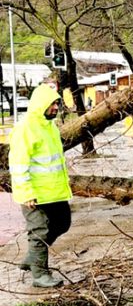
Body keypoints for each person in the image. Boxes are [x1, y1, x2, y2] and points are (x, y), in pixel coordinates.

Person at [8, 83, 73, 288]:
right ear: (40, 104)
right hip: (34, 195)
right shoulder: (25, 129)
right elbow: (19, 165)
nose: (56, 107)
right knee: (39, 232)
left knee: (63, 223)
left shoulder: (50, 126)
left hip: (54, 193)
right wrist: (27, 193)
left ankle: (32, 257)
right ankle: (39, 276)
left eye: (57, 103)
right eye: (52, 104)